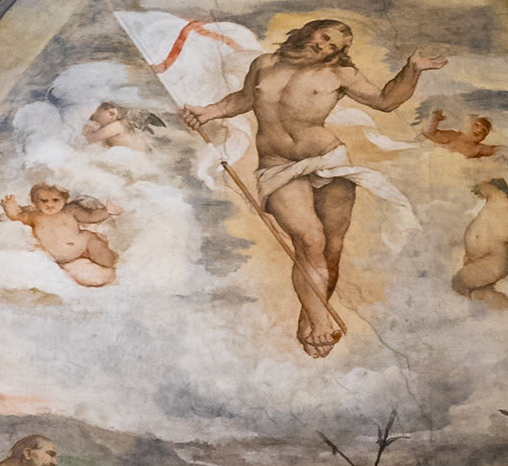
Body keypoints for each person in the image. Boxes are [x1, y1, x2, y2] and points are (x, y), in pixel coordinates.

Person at [182, 18, 444, 356]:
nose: (324, 46)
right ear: (310, 30)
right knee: (309, 239)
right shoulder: (264, 64)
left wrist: (413, 69)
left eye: (334, 46)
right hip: (278, 167)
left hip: (330, 160)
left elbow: (386, 101)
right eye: (324, 37)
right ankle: (321, 323)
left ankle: (309, 320)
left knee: (332, 248)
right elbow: (244, 99)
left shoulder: (339, 74)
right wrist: (209, 112)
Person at [1, 184, 122, 288]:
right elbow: (16, 216)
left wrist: (108, 211)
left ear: (64, 200)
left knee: (101, 253)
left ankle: (116, 263)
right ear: (35, 202)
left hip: (84, 243)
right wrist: (10, 208)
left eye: (55, 200)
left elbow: (91, 217)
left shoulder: (70, 210)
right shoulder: (33, 216)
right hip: (63, 258)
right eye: (44, 201)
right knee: (87, 277)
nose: (50, 204)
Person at [424, 109, 497, 158]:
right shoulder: (452, 136)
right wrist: (434, 118)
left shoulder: (478, 148)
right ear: (465, 125)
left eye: (484, 130)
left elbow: (496, 150)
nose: (480, 130)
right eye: (476, 125)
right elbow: (429, 132)